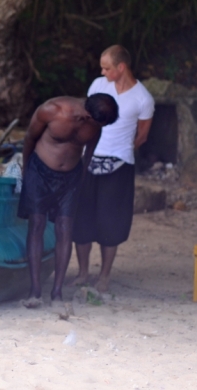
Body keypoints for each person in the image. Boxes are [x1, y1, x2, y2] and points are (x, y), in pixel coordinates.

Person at [19, 93, 119, 309]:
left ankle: (57, 292)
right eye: (99, 123)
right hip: (39, 172)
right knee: (36, 224)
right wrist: (26, 172)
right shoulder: (52, 110)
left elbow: (89, 152)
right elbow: (29, 138)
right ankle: (35, 290)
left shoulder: (95, 125)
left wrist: (81, 178)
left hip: (71, 177)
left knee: (65, 229)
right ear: (87, 115)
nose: (101, 128)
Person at [73, 45, 155, 293]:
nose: (102, 71)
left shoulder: (143, 98)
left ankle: (105, 276)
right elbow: (85, 118)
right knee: (82, 218)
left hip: (119, 165)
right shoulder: (98, 85)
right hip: (89, 160)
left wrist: (119, 150)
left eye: (107, 67)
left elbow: (141, 136)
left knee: (111, 221)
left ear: (121, 67)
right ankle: (83, 272)